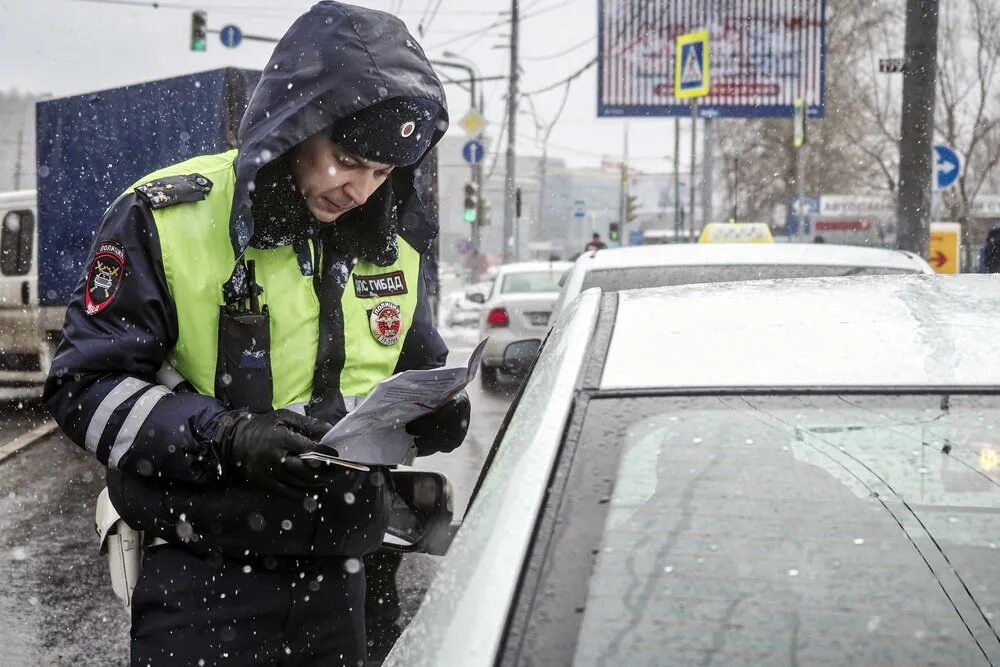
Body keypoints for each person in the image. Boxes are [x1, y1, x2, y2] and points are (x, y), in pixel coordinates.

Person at [43, 3, 470, 665]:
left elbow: (411, 371)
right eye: (348, 159)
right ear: (298, 124)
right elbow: (82, 387)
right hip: (202, 576)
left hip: (348, 572)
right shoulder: (165, 216)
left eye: (383, 172)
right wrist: (224, 438)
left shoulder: (392, 242)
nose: (360, 190)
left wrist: (437, 414)